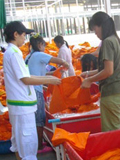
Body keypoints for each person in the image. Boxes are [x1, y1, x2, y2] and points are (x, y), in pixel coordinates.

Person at [3, 21, 61, 160]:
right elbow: (26, 79)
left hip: (18, 105)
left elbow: (26, 76)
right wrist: (49, 80)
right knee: (28, 145)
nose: (25, 39)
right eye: (23, 35)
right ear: (15, 34)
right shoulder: (14, 53)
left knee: (19, 143)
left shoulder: (10, 52)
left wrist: (47, 78)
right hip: (22, 107)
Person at [81, 11, 120, 132]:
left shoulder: (107, 42)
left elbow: (108, 71)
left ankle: (116, 151)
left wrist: (89, 80)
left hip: (111, 93)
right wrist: (88, 74)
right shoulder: (116, 39)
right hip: (119, 91)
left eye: (95, 29)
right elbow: (108, 68)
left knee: (111, 132)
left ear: (101, 25)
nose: (95, 33)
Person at [25, 34, 69, 152]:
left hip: (28, 91)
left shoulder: (28, 56)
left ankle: (37, 142)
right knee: (40, 119)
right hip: (36, 90)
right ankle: (39, 146)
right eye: (44, 45)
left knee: (34, 119)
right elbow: (58, 60)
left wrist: (56, 74)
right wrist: (66, 64)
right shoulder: (39, 54)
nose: (44, 48)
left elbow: (42, 74)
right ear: (40, 45)